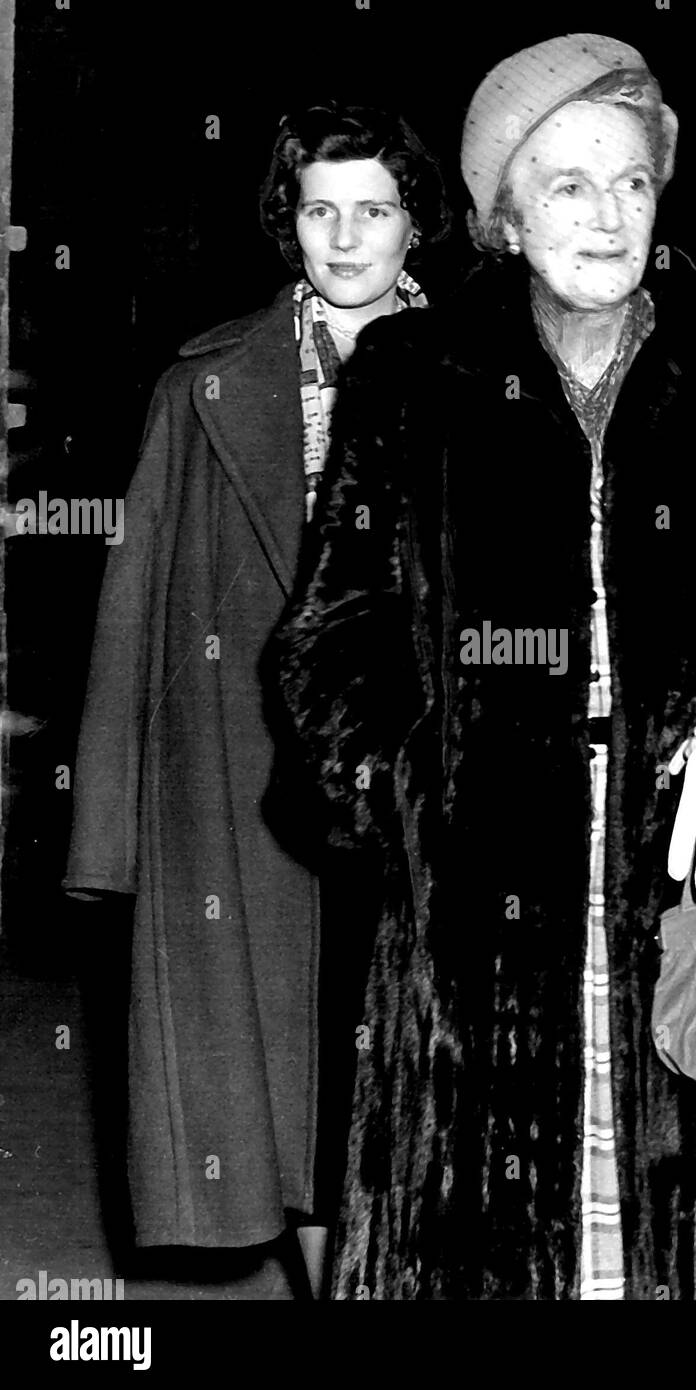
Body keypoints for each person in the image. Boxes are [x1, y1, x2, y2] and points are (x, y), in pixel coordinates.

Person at [272, 35, 696, 1300]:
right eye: (566, 184)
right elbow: (329, 635)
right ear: (505, 212)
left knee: (683, 1242)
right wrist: (406, 786)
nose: (605, 215)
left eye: (631, 184)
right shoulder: (412, 379)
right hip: (476, 915)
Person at [62, 102, 447, 1297]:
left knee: (421, 1080)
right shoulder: (206, 384)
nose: (345, 237)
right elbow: (131, 609)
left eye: (372, 209)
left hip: (427, 777)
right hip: (250, 785)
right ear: (287, 223)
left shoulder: (490, 371)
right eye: (319, 209)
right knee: (296, 1082)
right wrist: (109, 832)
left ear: (416, 223)